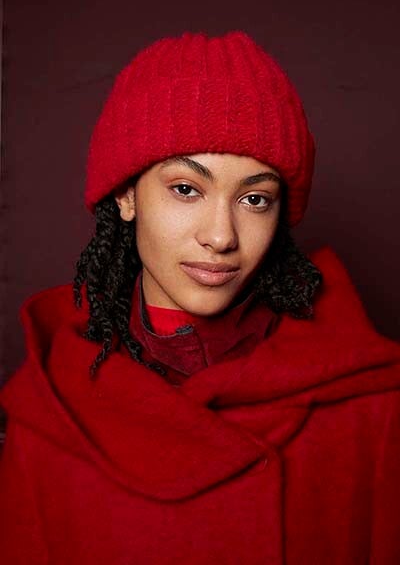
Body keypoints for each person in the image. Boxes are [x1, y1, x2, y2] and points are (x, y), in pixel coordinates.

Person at [0, 30, 399, 564]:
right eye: (186, 189)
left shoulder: (373, 407)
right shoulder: (49, 415)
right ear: (126, 194)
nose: (221, 235)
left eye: (255, 199)